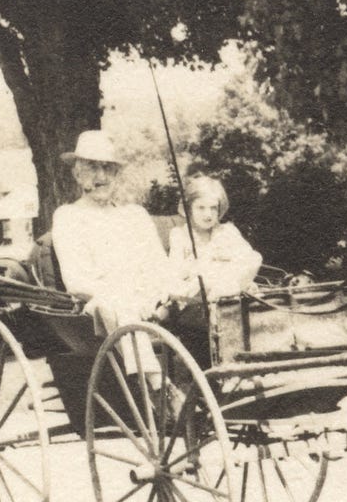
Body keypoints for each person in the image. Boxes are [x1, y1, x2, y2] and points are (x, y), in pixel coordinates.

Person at [51, 130, 174, 379]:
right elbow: (77, 281)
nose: (101, 176)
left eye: (108, 168)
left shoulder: (134, 215)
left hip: (147, 302)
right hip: (99, 309)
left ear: (117, 174)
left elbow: (160, 267)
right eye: (92, 168)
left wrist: (158, 297)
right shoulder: (68, 217)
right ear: (77, 173)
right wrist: (127, 297)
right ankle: (156, 386)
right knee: (116, 305)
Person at [167, 175, 262, 318]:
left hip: (228, 284)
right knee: (206, 276)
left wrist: (231, 260)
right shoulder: (180, 235)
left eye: (213, 208)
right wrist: (199, 265)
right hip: (197, 297)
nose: (208, 214)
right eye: (201, 208)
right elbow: (174, 273)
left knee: (255, 257)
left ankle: (232, 292)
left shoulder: (227, 231)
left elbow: (247, 258)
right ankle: (227, 293)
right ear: (188, 209)